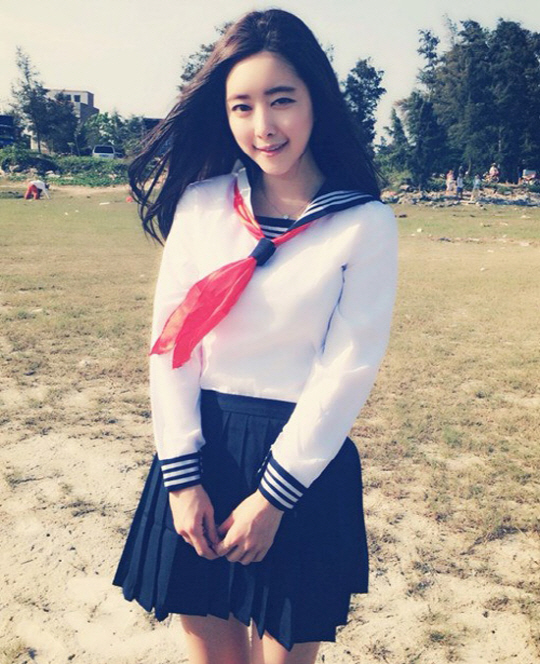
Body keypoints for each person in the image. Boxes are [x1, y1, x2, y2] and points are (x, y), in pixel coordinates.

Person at [113, 9, 397, 664]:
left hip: (300, 464)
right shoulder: (202, 205)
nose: (263, 125)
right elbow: (172, 347)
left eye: (281, 100)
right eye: (241, 106)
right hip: (201, 451)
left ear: (315, 100)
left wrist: (273, 497)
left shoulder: (364, 224)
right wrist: (182, 479)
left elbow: (347, 370)